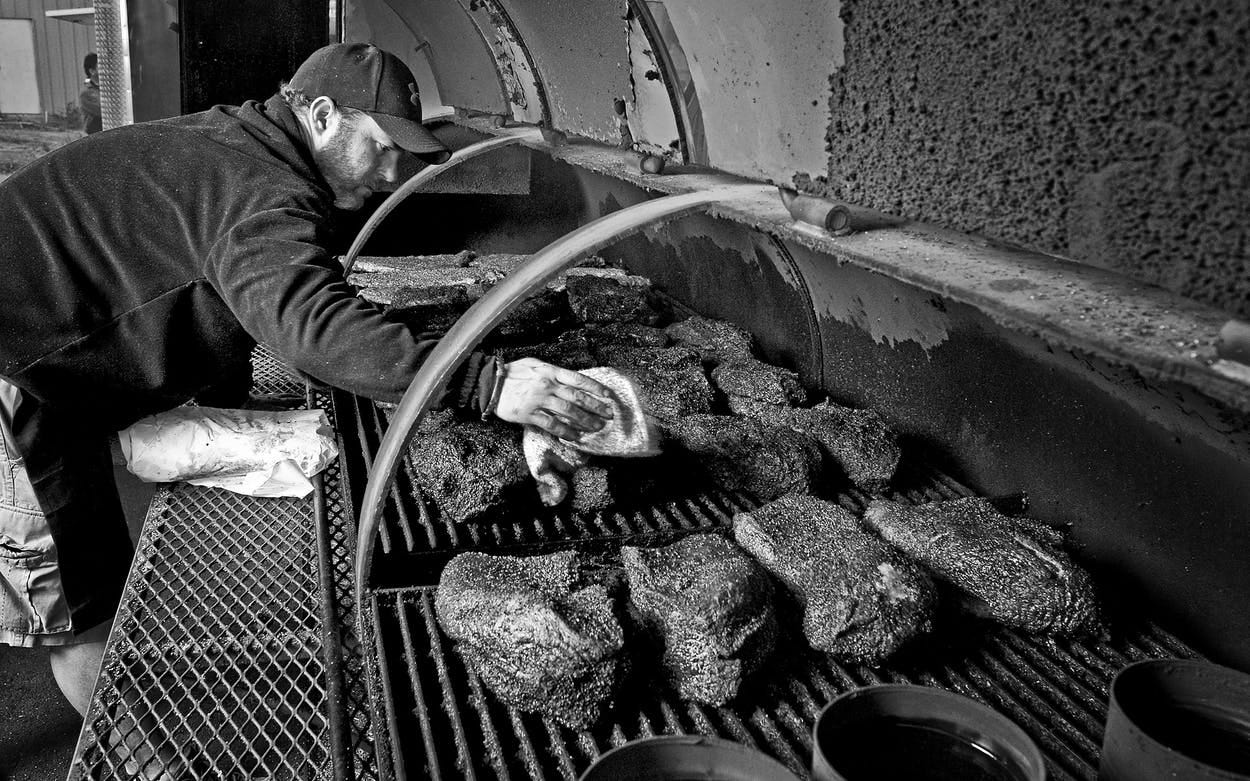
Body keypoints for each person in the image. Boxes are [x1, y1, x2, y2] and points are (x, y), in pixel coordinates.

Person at [0, 42, 613, 725]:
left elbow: (211, 280)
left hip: (42, 354)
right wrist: (488, 383)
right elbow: (312, 325)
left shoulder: (245, 146)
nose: (390, 174)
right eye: (380, 147)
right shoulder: (263, 188)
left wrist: (230, 407)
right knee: (82, 608)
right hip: (15, 377)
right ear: (321, 115)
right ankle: (148, 764)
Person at [79, 52, 102, 134]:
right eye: (100, 66)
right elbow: (101, 110)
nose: (106, 69)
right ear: (92, 71)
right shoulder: (86, 94)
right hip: (95, 136)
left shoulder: (104, 89)